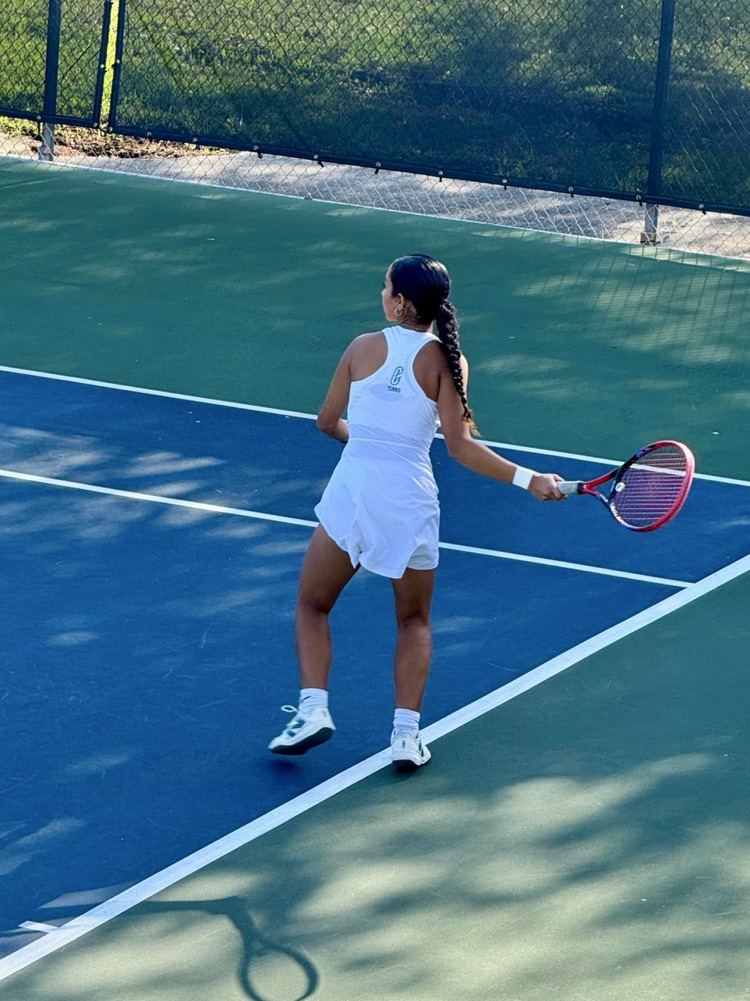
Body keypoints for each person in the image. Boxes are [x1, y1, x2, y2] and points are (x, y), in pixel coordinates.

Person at [269, 253, 564, 770]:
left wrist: (363, 446)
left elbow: (326, 421)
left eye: (385, 286)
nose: (380, 292)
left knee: (311, 605)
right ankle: (406, 735)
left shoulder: (362, 347)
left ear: (402, 302)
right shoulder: (446, 362)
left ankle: (314, 708)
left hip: (354, 491)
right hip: (408, 500)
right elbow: (460, 448)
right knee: (413, 619)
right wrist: (529, 479)